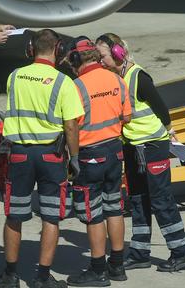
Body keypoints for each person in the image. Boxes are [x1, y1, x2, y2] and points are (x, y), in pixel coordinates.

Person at [95, 33, 185, 272]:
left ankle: (182, 252)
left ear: (118, 53)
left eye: (102, 56)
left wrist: (171, 132)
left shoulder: (138, 77)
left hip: (152, 146)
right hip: (132, 147)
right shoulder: (113, 77)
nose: (99, 61)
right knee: (138, 200)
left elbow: (161, 108)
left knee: (161, 200)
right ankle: (140, 253)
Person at [0, 29, 84, 288]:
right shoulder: (63, 82)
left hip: (20, 155)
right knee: (50, 216)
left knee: (15, 215)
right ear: (58, 51)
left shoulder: (15, 76)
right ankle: (42, 278)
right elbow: (71, 126)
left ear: (30, 49)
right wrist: (75, 158)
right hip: (51, 156)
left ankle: (10, 275)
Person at [60, 37, 131, 287]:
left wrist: (73, 159)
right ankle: (118, 265)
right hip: (115, 151)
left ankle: (98, 269)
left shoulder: (76, 86)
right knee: (114, 208)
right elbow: (128, 118)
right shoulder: (117, 80)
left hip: (90, 155)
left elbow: (70, 125)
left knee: (93, 215)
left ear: (77, 60)